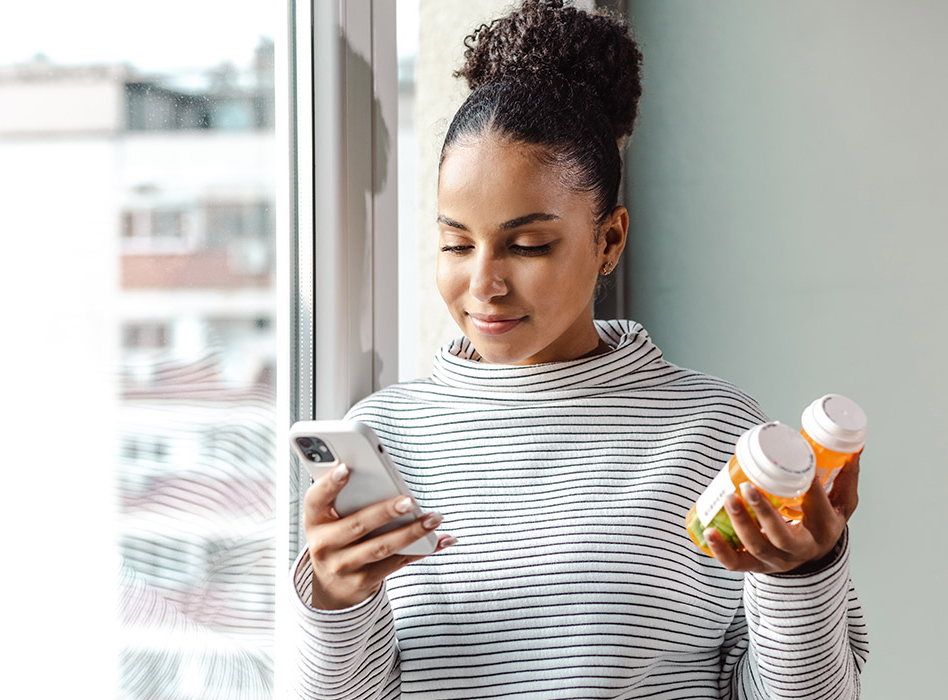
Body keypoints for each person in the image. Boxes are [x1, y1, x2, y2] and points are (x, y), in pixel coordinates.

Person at [289, 2, 869, 698]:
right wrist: (333, 600)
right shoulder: (385, 437)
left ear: (610, 240)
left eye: (528, 245)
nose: (483, 284)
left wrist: (802, 576)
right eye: (455, 242)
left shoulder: (713, 433)